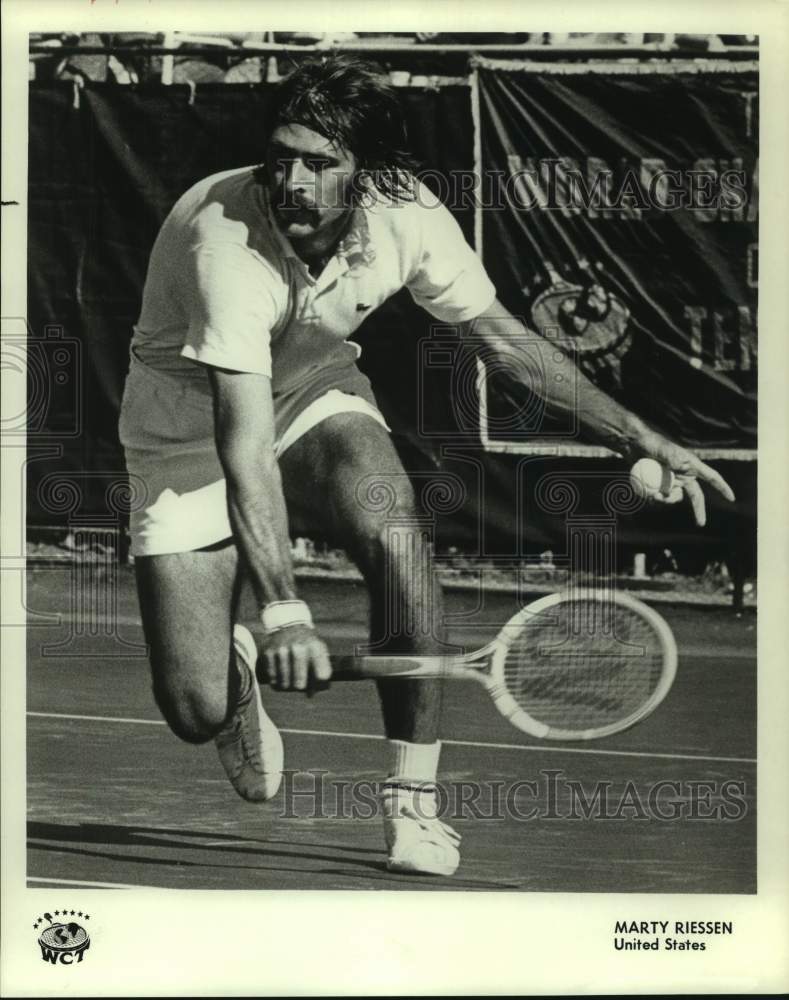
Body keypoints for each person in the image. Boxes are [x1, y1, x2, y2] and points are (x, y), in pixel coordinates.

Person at [119, 54, 734, 878]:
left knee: (395, 529)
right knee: (192, 710)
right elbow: (243, 452)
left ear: (369, 176)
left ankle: (412, 806)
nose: (293, 181)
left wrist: (637, 437)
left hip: (313, 396)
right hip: (188, 432)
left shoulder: (409, 215)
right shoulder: (224, 243)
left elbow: (503, 340)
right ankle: (229, 687)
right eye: (284, 154)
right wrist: (282, 616)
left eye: (322, 163)